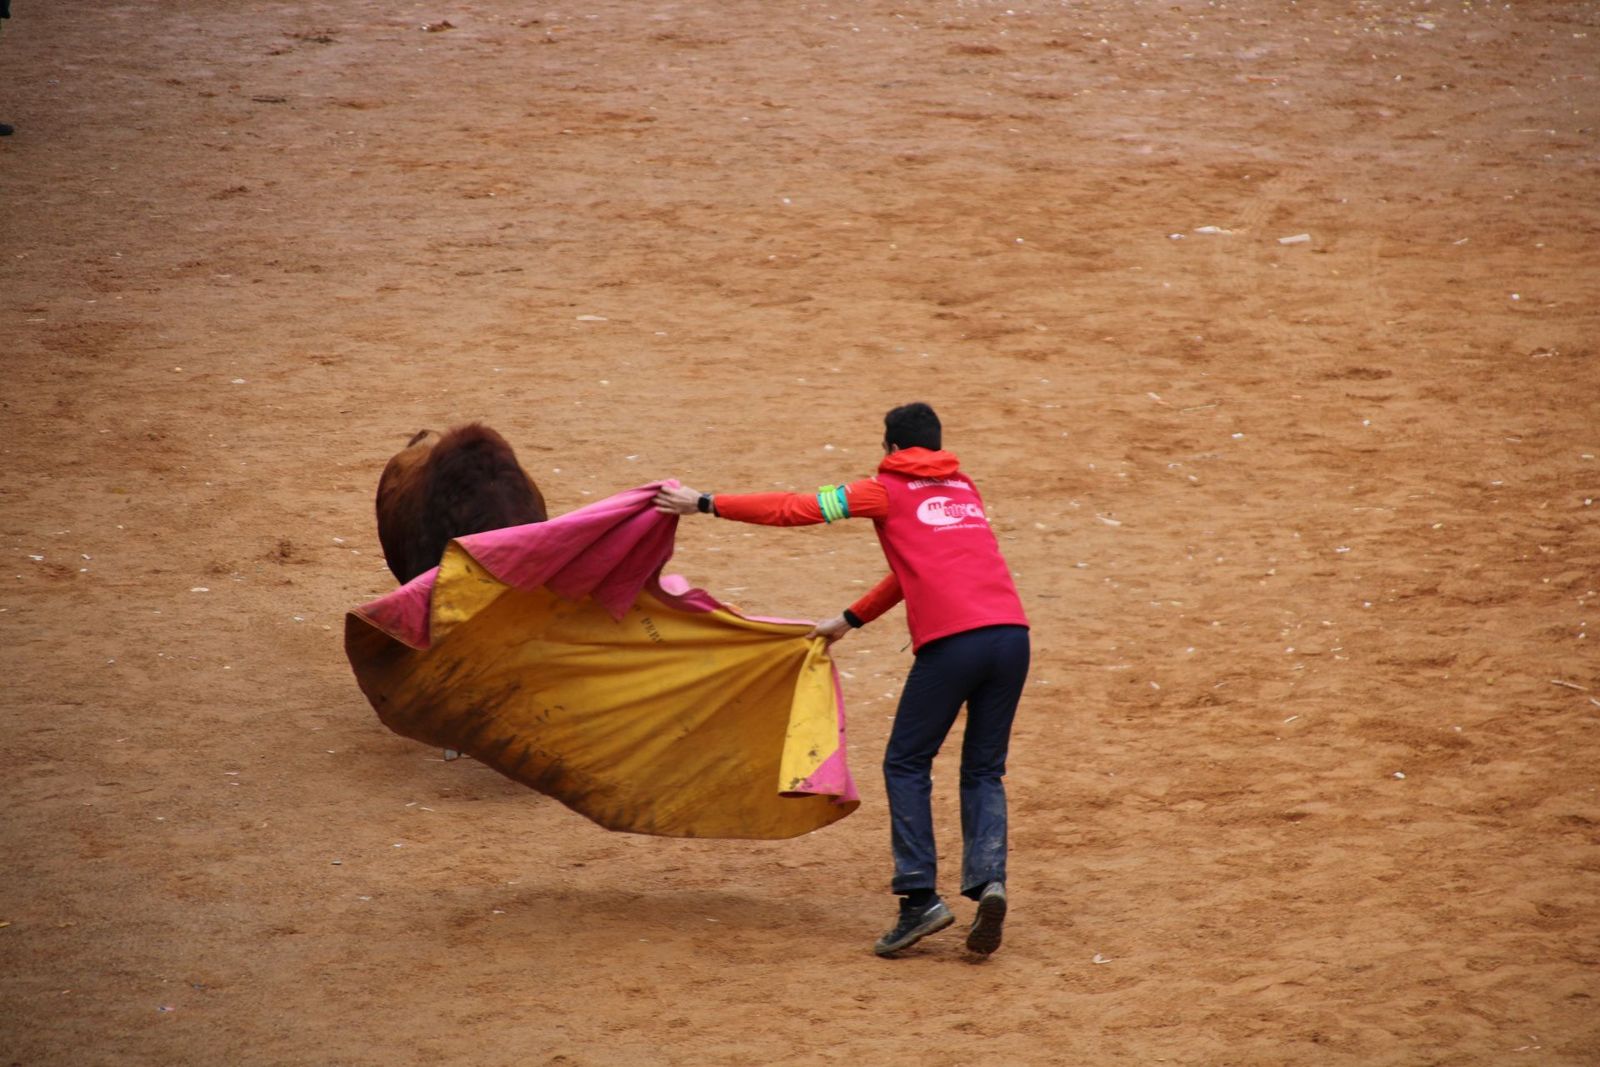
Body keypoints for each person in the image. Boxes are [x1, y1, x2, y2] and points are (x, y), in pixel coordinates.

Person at [653, 402, 1030, 957]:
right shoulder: (964, 491)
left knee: (905, 762)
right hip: (1012, 638)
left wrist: (705, 503)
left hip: (953, 645)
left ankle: (919, 900)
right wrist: (850, 619)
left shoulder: (883, 488)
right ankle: (989, 880)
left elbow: (795, 508)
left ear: (893, 450)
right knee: (982, 768)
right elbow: (916, 569)